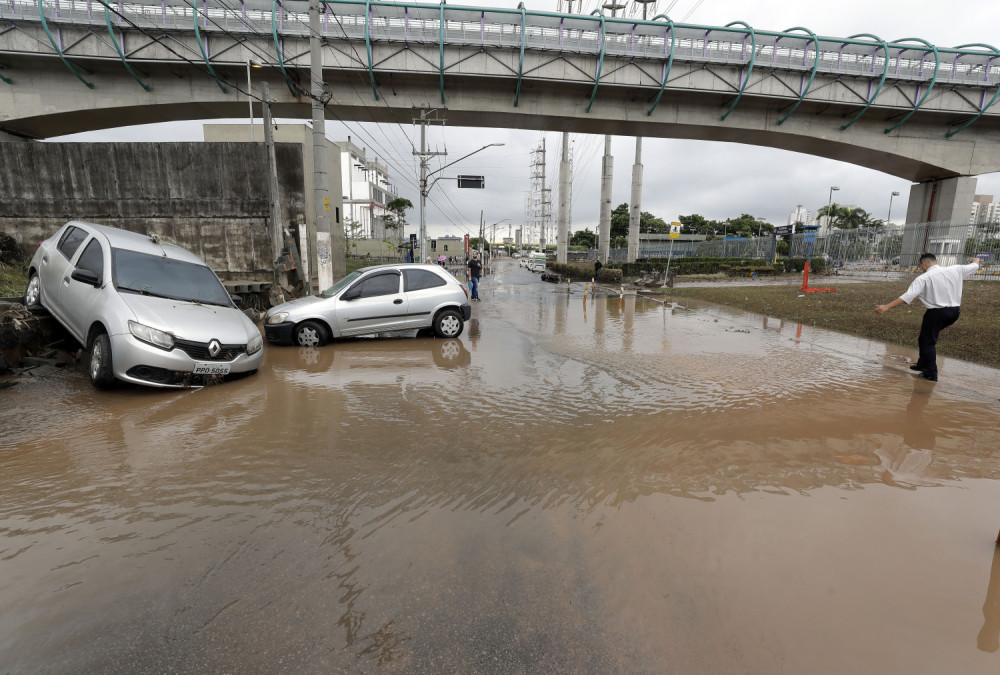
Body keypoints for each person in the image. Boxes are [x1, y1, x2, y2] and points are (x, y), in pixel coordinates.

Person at [875, 253, 980, 381]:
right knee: (925, 338)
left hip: (936, 313)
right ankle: (922, 363)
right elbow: (975, 265)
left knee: (927, 341)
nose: (921, 268)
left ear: (924, 264)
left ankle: (930, 373)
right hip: (954, 312)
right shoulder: (956, 269)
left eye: (921, 266)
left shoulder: (924, 278)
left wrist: (886, 306)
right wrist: (975, 260)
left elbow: (907, 296)